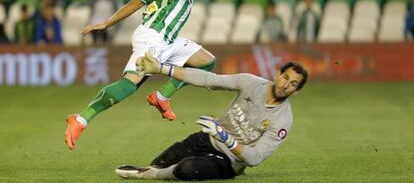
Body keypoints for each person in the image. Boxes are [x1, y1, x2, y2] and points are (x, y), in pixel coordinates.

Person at [65, 0, 216, 151]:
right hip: (154, 36)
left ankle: (161, 97)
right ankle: (80, 119)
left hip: (168, 38)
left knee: (206, 61)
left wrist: (107, 23)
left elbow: (136, 2)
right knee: (129, 83)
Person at [114, 52, 308, 181]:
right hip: (207, 139)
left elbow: (255, 158)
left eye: (293, 84)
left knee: (186, 169)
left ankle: (152, 175)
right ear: (277, 74)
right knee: (161, 161)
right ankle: (153, 170)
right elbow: (209, 79)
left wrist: (226, 138)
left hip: (230, 161)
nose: (285, 85)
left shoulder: (283, 120)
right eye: (285, 77)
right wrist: (163, 69)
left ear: (297, 91)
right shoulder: (250, 83)